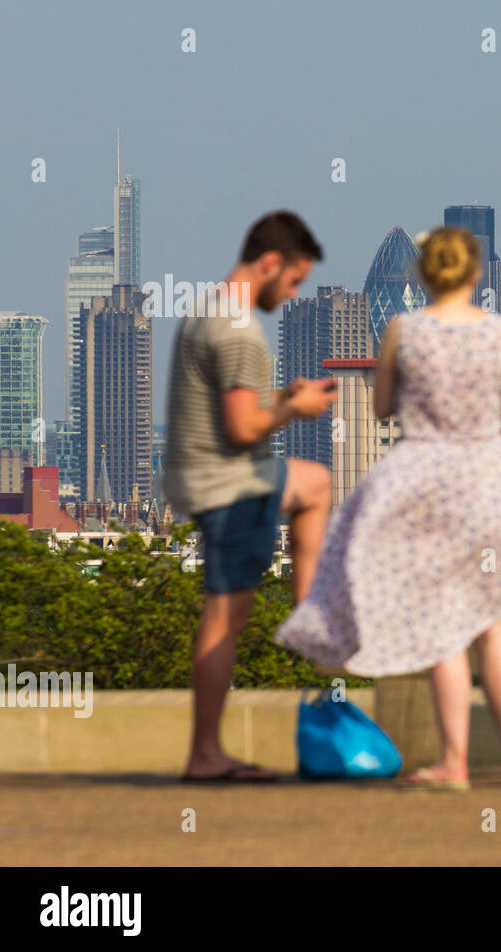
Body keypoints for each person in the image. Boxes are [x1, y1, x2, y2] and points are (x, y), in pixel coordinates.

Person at [275, 226, 501, 791]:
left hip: (424, 484)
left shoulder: (404, 330)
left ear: (423, 276)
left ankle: (455, 763)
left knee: (444, 628)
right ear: (476, 276)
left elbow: (379, 408)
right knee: (492, 626)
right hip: (485, 486)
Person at [164, 210, 339, 782]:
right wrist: (297, 407)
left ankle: (307, 614)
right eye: (293, 283)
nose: (291, 296)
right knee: (224, 620)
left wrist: (280, 397)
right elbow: (241, 429)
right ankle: (206, 755)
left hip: (217, 477)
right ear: (270, 263)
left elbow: (234, 409)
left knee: (316, 484)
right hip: (232, 486)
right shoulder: (239, 331)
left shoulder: (207, 310)